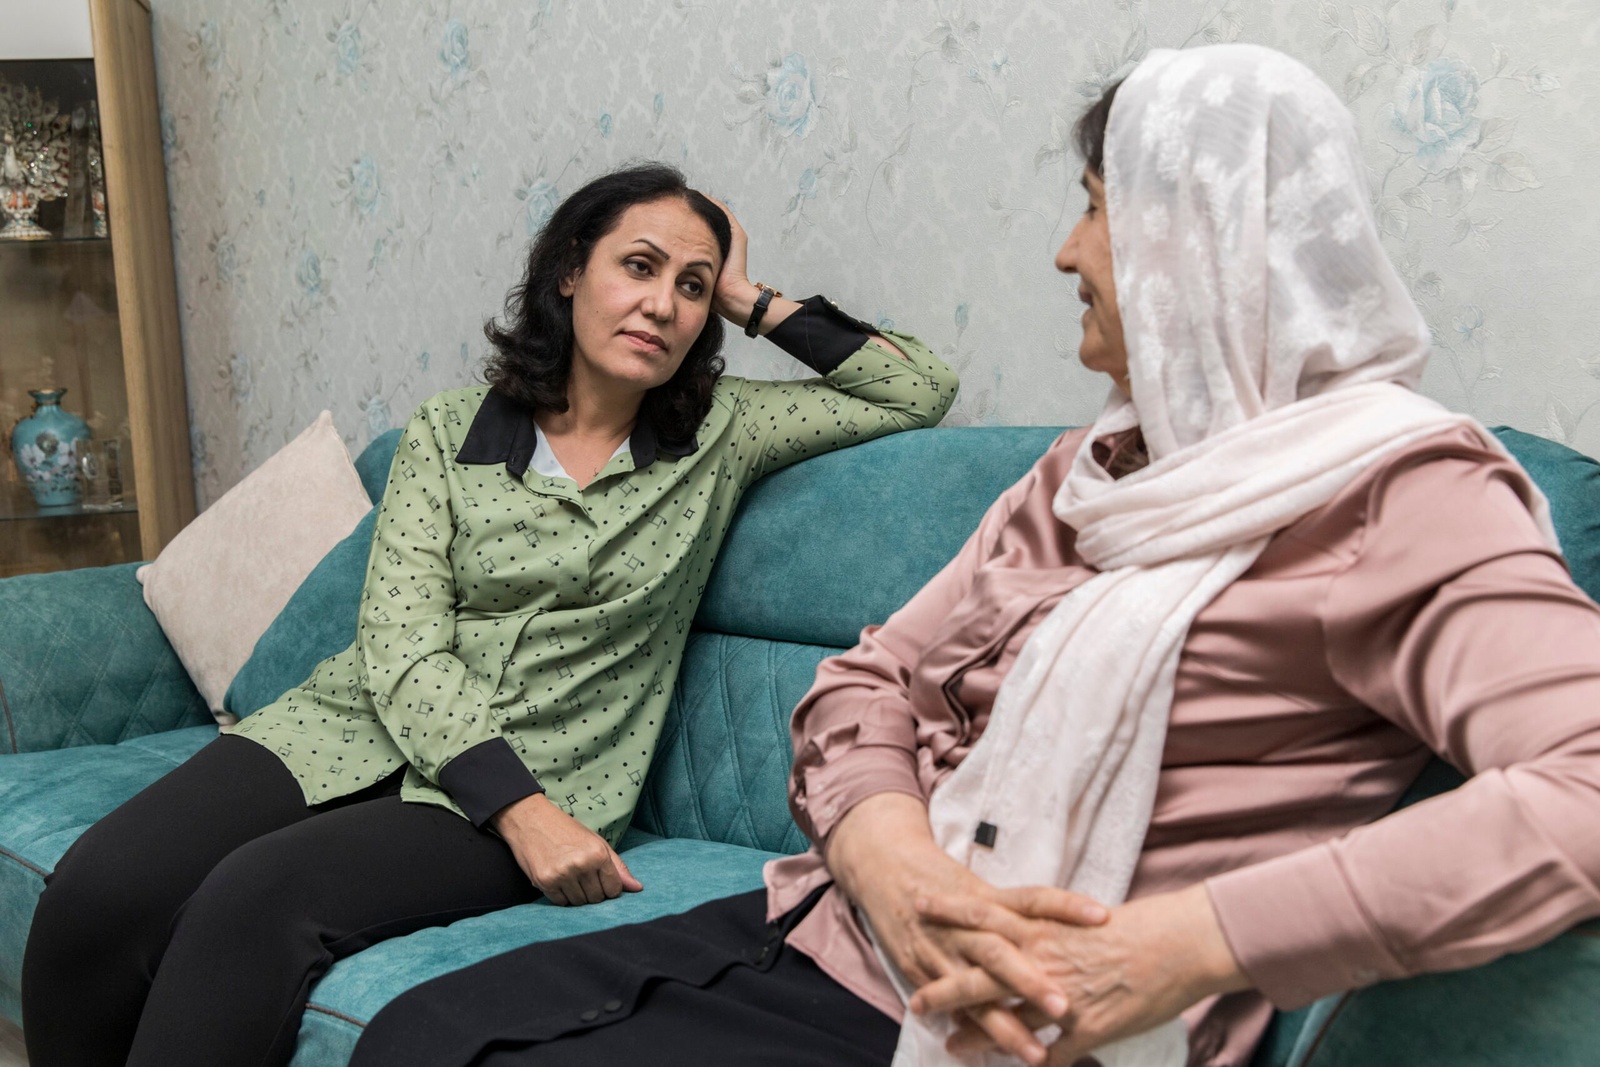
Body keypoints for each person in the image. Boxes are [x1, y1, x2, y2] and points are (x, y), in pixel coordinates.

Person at [351, 44, 1600, 1067]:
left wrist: (1179, 947)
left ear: (1199, 241)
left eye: (1100, 213)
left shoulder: (1402, 492)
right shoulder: (1092, 472)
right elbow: (863, 681)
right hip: (834, 919)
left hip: (1010, 1013)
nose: (1066, 252)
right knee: (414, 1029)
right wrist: (887, 854)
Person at [19, 162, 957, 1067]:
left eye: (692, 287)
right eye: (639, 266)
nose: (665, 304)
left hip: (546, 773)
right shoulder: (447, 430)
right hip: (353, 724)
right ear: (568, 271)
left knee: (251, 902)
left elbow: (917, 384)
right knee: (105, 886)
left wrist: (751, 296)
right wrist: (517, 808)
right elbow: (401, 644)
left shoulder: (724, 431)